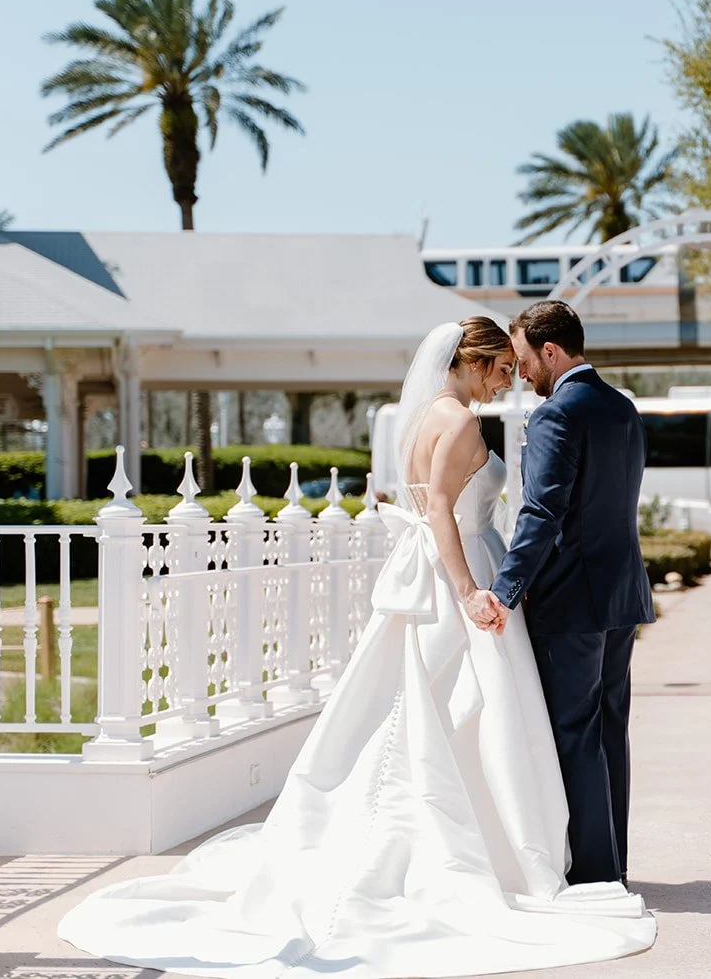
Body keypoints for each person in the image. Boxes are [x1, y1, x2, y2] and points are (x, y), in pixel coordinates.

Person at [57, 316, 655, 978]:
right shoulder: (529, 417)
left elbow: (450, 508)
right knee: (545, 724)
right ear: (476, 362)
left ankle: (570, 860)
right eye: (503, 369)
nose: (512, 381)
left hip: (469, 577)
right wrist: (475, 591)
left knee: (455, 715)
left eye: (519, 368)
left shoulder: (427, 415)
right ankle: (589, 864)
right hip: (491, 578)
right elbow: (461, 515)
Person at [475, 300, 655, 888]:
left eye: (524, 358)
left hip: (570, 602)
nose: (520, 372)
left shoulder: (557, 416)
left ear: (550, 352)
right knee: (608, 730)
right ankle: (615, 862)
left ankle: (595, 874)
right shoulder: (623, 408)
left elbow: (543, 512)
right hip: (621, 595)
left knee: (574, 733)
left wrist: (505, 590)